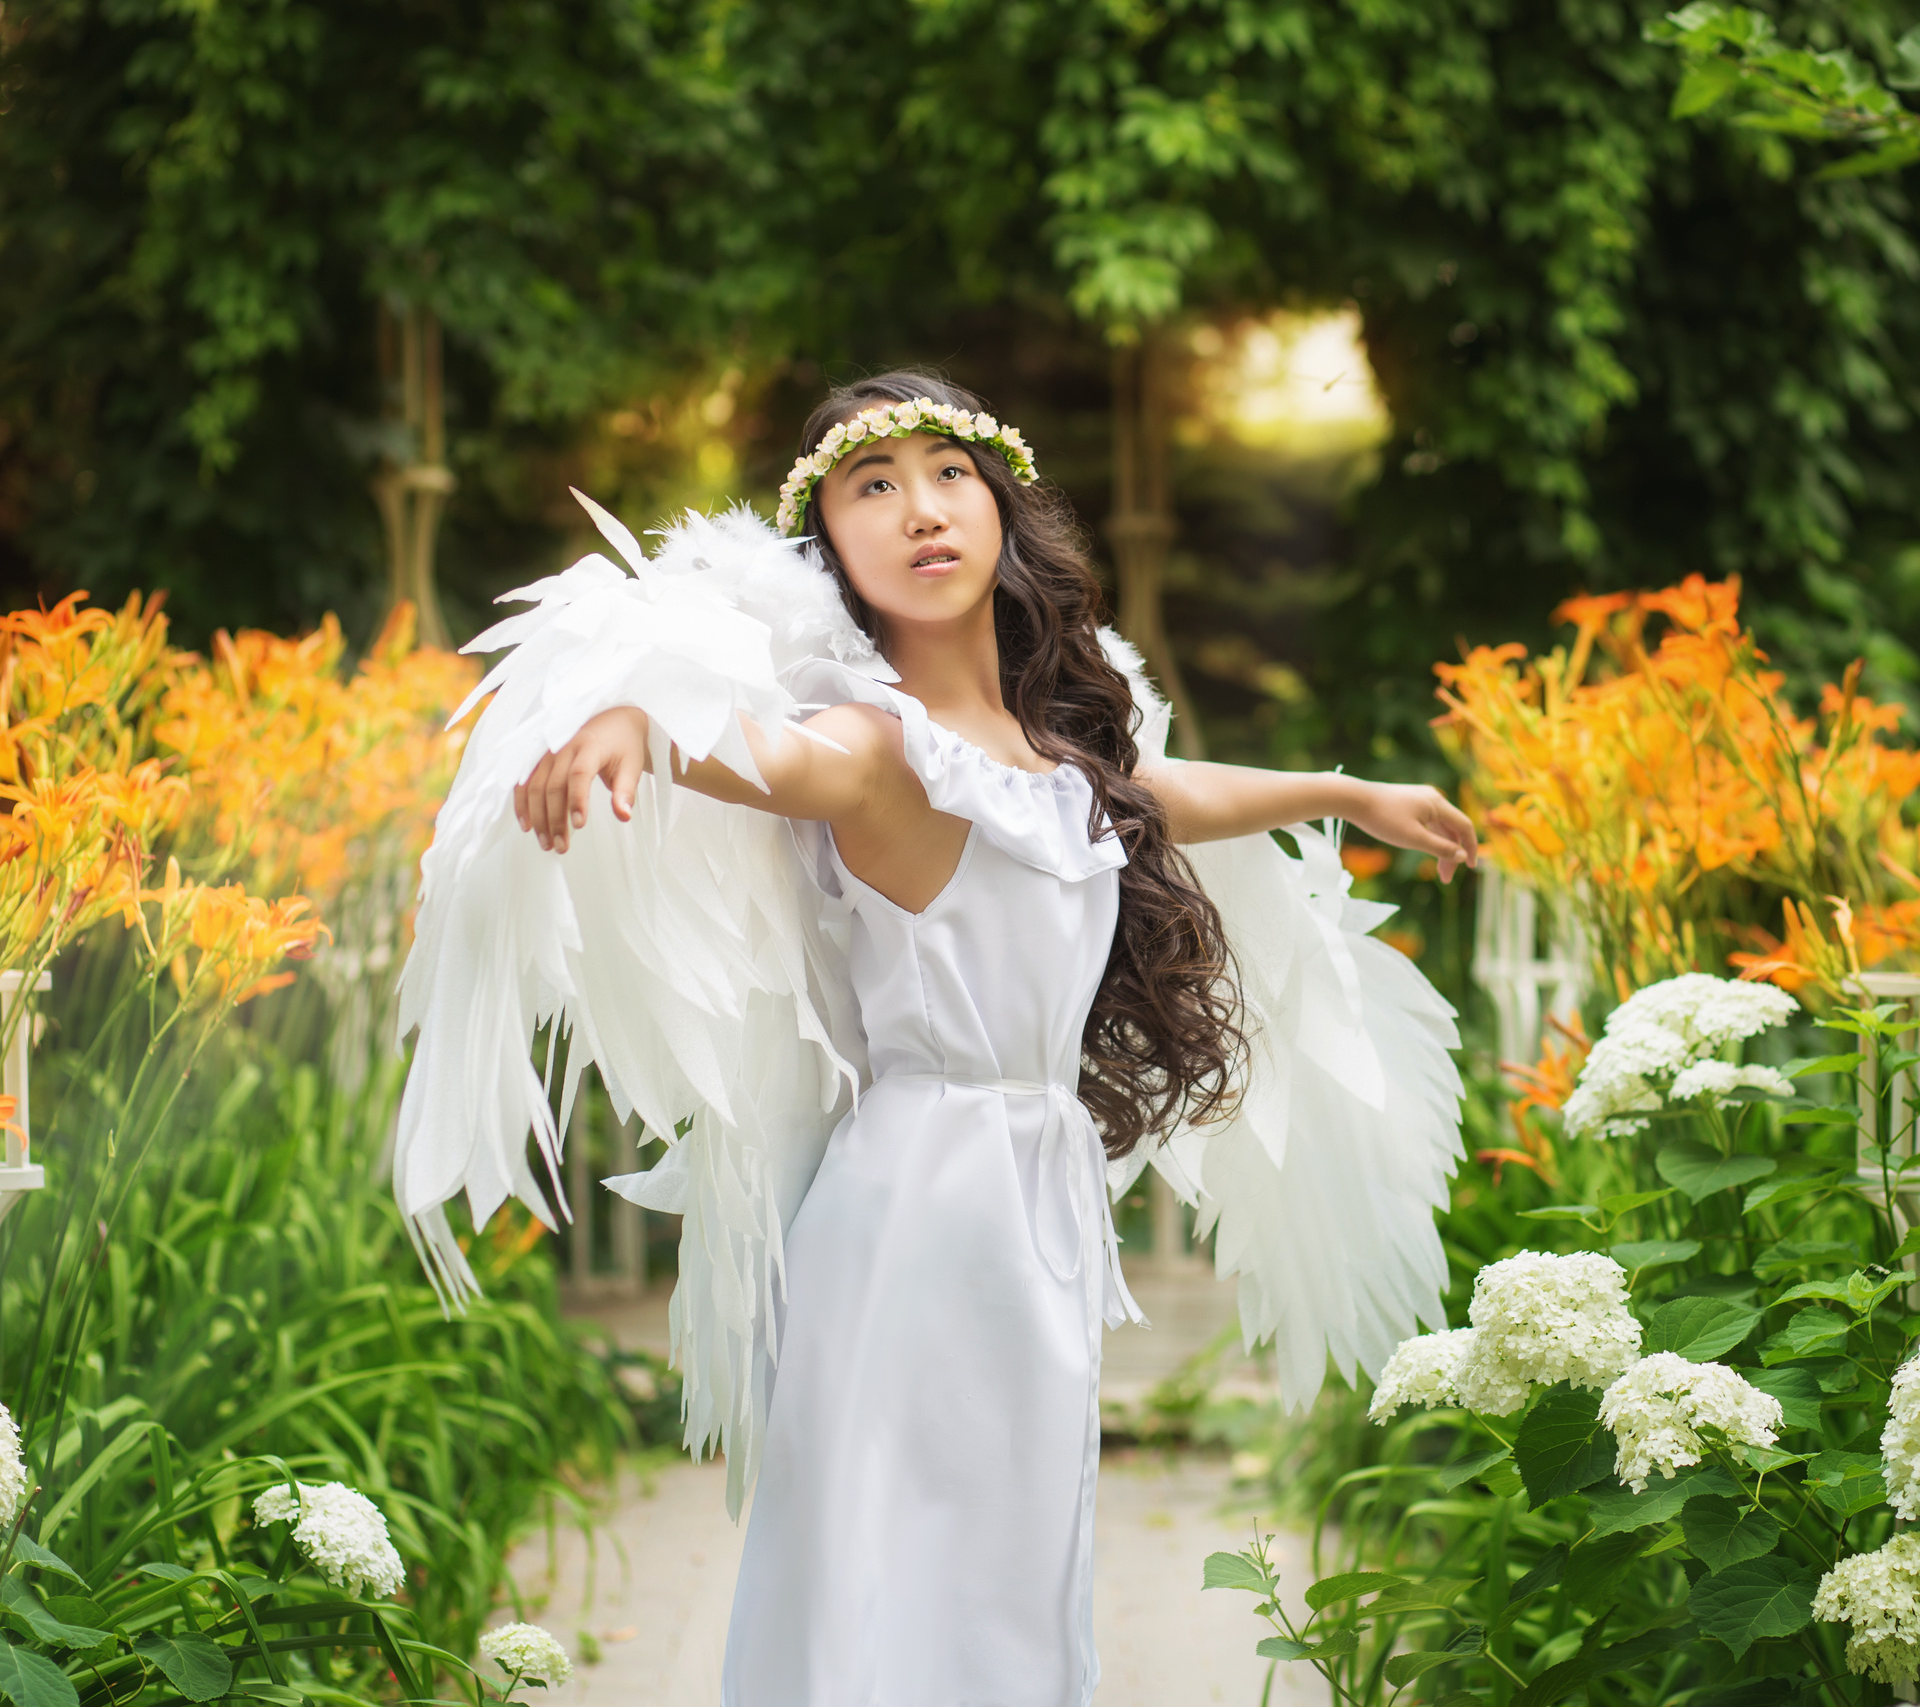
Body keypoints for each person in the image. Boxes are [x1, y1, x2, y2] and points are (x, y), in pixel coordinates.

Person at [394, 371, 1474, 1705]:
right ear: (831, 550)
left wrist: (1347, 789)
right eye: (873, 486)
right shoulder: (872, 743)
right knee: (888, 1572)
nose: (922, 509)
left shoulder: (1051, 755)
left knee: (1008, 1575)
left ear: (1004, 508)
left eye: (949, 473)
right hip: (920, 1196)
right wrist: (628, 725)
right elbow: (759, 756)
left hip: (1030, 1188)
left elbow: (1154, 797)